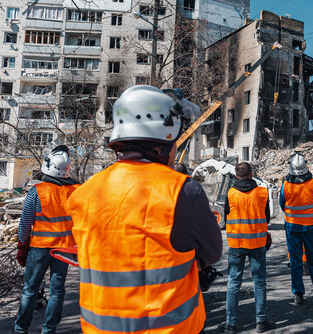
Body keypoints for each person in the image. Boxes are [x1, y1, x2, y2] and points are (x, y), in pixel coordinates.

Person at [67, 85, 223, 334]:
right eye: (174, 142)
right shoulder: (182, 190)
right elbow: (212, 252)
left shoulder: (84, 193)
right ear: (164, 141)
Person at [11, 145, 79, 334]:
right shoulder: (76, 191)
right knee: (57, 291)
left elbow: (25, 223)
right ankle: (49, 330)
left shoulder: (37, 191)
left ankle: (20, 329)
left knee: (30, 289)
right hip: (63, 251)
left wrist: (22, 246)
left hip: (39, 249)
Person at [223, 162, 274, 333]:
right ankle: (261, 321)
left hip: (236, 244)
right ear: (251, 174)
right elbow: (267, 218)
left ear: (236, 176)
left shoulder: (231, 194)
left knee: (233, 283)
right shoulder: (262, 192)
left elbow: (226, 217)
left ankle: (230, 324)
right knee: (259, 282)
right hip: (257, 243)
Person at [280, 153, 313, 305]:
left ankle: (298, 294)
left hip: (292, 228)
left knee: (295, 261)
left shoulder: (286, 185)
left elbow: (282, 205)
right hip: (310, 227)